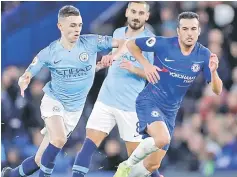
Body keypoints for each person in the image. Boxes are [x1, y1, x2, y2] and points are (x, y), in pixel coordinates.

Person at [1, 5, 123, 177]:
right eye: (72, 25)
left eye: (79, 25)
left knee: (40, 158)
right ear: (60, 26)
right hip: (54, 102)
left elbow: (123, 42)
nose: (77, 29)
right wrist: (24, 79)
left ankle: (11, 175)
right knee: (59, 139)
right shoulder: (51, 51)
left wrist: (114, 55)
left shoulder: (91, 42)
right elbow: (31, 70)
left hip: (72, 111)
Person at [113, 11, 223, 177]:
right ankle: (126, 165)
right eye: (185, 29)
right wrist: (146, 65)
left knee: (152, 165)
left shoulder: (204, 55)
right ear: (178, 31)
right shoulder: (163, 44)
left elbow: (217, 90)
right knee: (162, 139)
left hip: (170, 112)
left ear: (199, 31)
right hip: (149, 101)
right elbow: (131, 45)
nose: (189, 33)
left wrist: (214, 72)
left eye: (193, 29)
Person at [71, 2, 163, 177]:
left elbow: (152, 75)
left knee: (137, 157)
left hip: (129, 105)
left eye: (141, 13)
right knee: (89, 143)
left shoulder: (150, 40)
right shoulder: (118, 33)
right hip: (106, 99)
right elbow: (114, 61)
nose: (136, 16)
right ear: (127, 12)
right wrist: (103, 63)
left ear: (147, 16)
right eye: (133, 11)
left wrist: (133, 68)